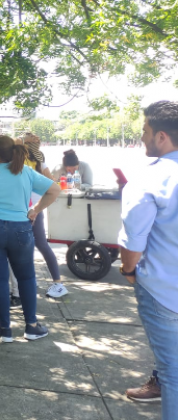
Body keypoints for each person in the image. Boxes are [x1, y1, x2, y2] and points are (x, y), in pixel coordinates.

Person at [119, 100, 178, 418]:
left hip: (164, 291)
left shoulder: (150, 179)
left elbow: (133, 243)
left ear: (161, 137)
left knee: (172, 375)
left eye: (145, 131)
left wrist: (129, 270)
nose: (142, 137)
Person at [0, 135, 60, 342]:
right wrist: (35, 210)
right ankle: (31, 326)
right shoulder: (26, 172)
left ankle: (5, 329)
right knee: (27, 277)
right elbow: (55, 190)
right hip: (20, 229)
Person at [20, 133, 67, 299]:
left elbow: (51, 184)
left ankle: (54, 283)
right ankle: (56, 282)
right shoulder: (39, 161)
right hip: (35, 207)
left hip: (27, 208)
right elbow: (51, 183)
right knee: (39, 244)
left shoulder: (21, 161)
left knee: (28, 246)